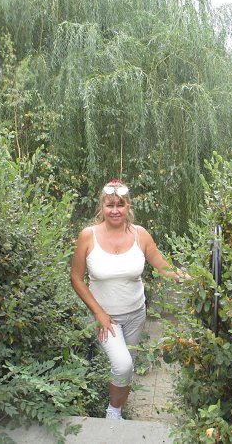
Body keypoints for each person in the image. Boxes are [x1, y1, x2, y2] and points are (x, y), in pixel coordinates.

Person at [70, 179, 185, 420]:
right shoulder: (88, 236)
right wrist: (99, 314)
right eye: (110, 205)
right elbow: (76, 278)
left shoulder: (140, 235)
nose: (115, 210)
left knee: (127, 368)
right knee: (122, 365)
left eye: (120, 205)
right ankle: (112, 414)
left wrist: (190, 279)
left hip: (135, 315)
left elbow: (164, 268)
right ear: (102, 207)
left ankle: (119, 412)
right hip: (105, 318)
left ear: (128, 206)